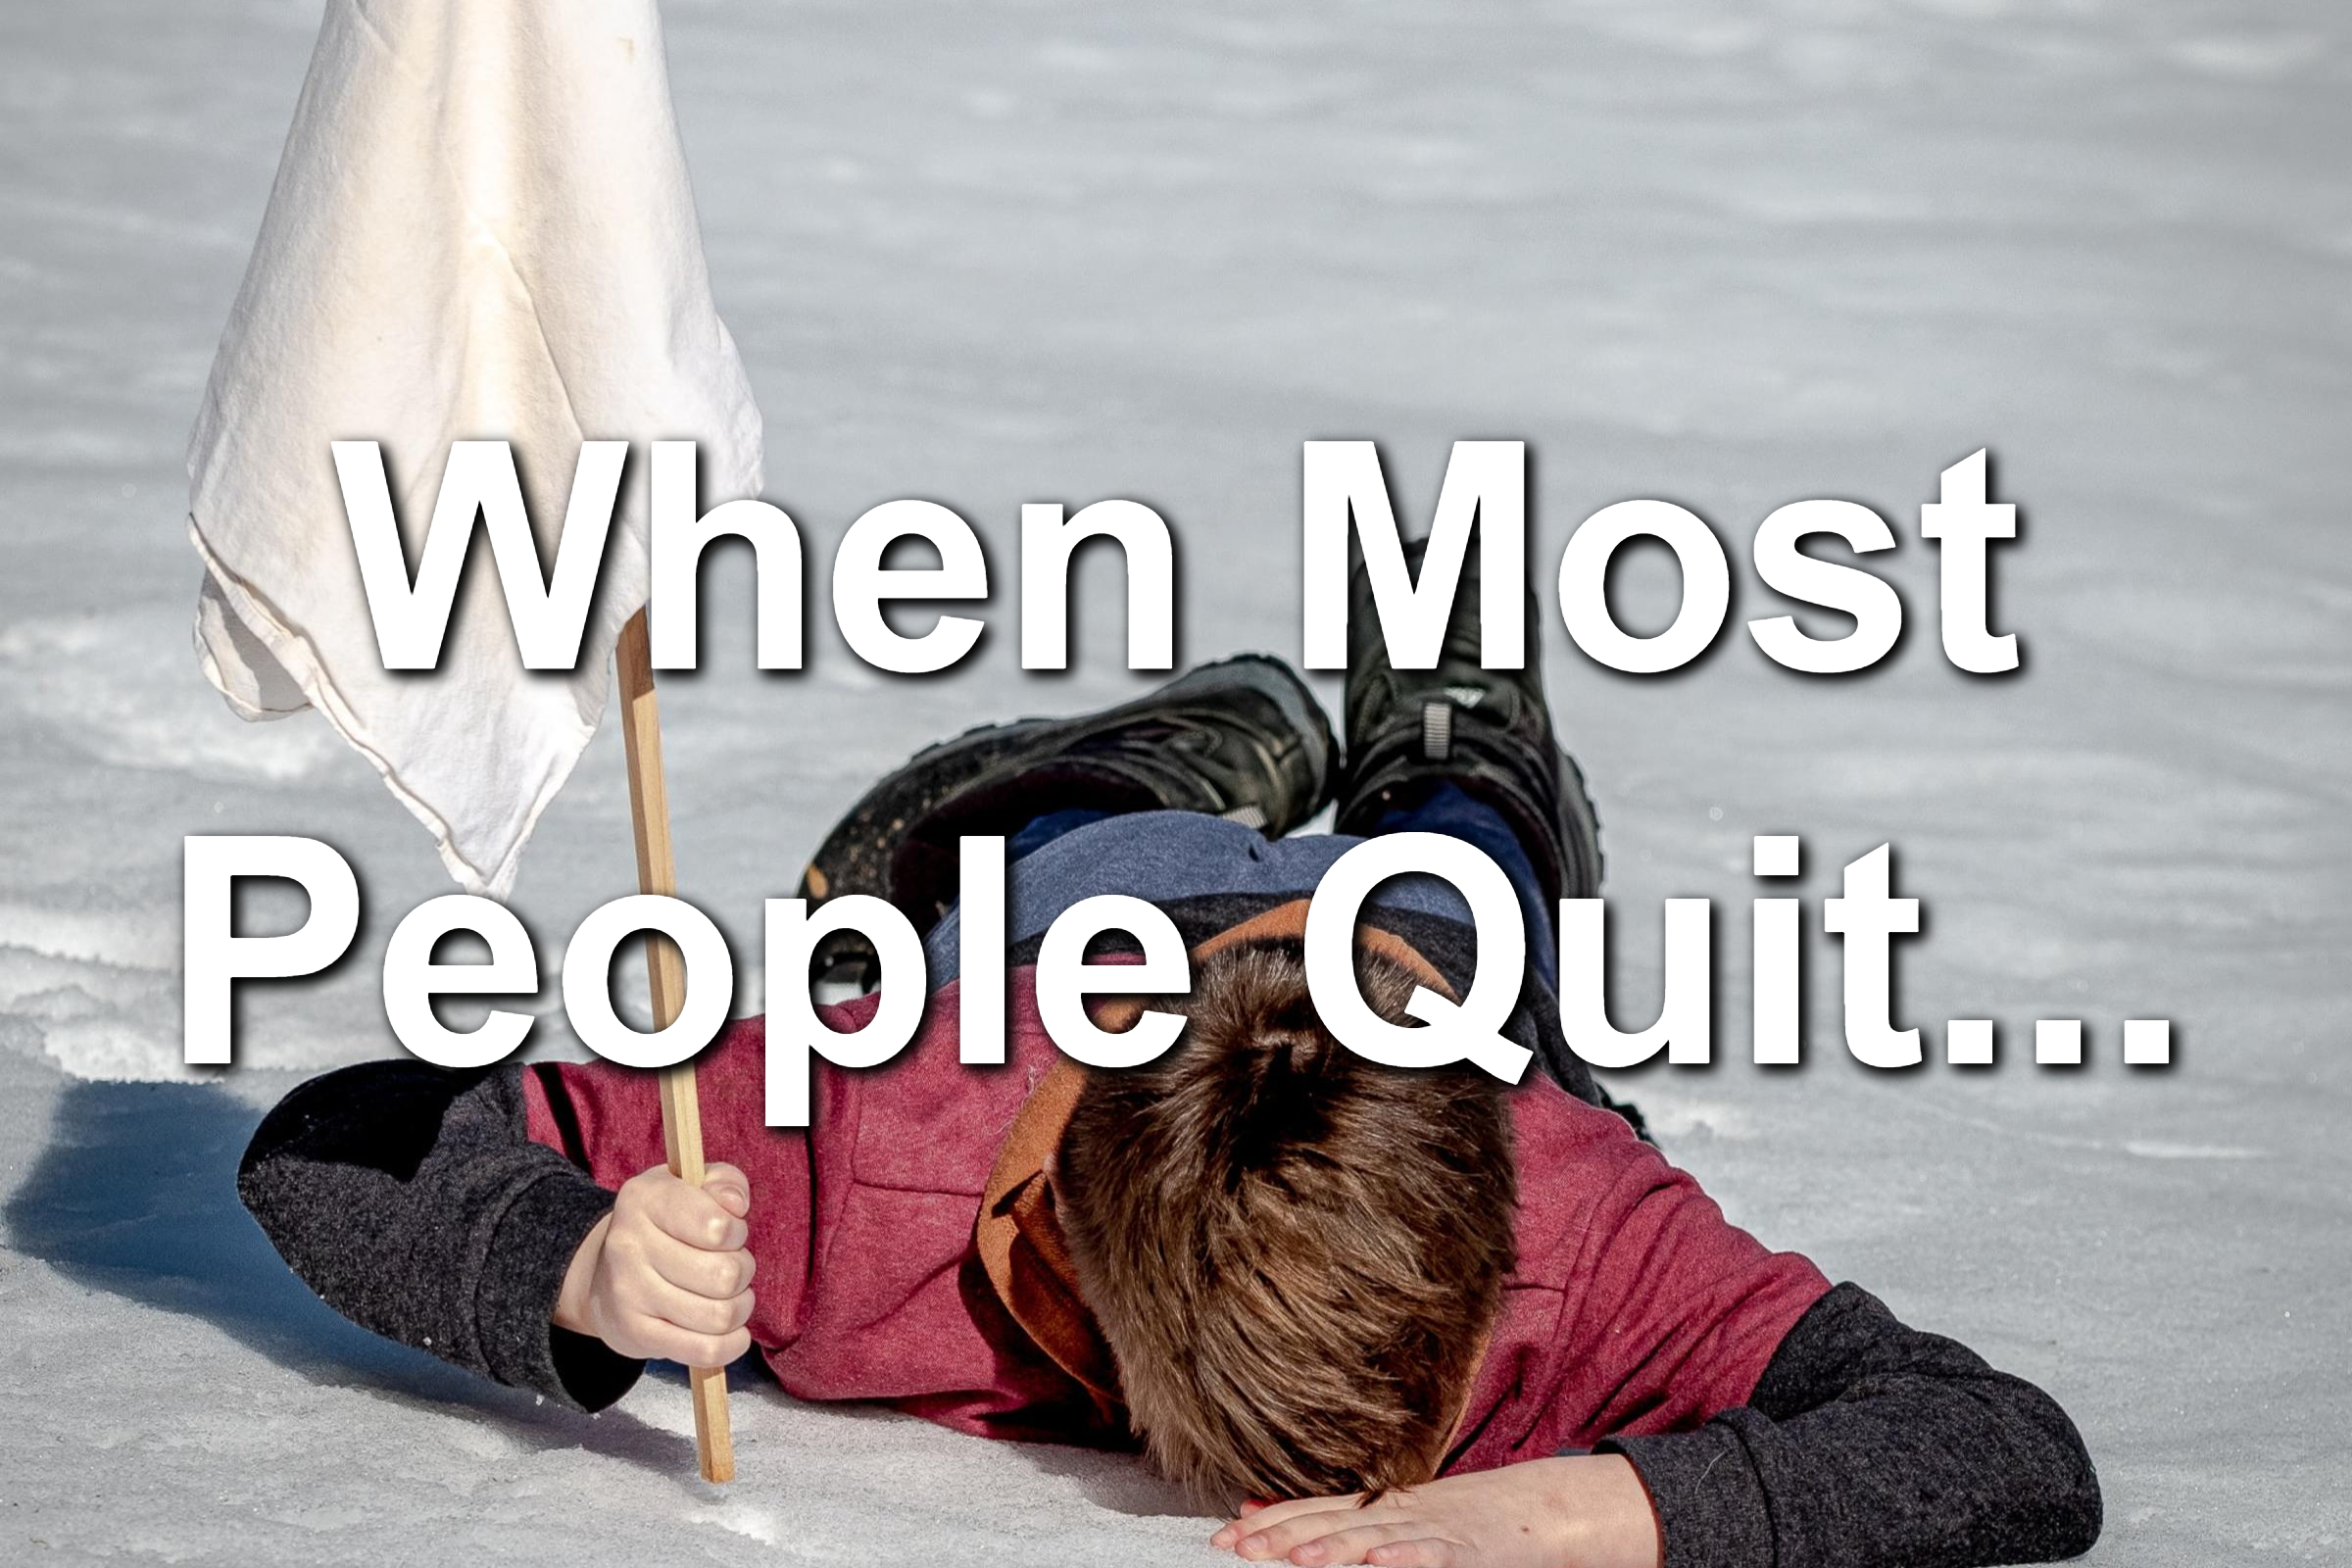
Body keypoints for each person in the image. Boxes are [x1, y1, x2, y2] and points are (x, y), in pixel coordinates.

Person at [239, 545, 2101, 1568]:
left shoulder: (1582, 1225)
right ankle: (1187, 744)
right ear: (1078, 1263)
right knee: (1031, 845)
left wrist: (1567, 1507)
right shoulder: (861, 1149)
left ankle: (1463, 741)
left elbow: (2008, 1453)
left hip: (1421, 967)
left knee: (1470, 878)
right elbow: (334, 1136)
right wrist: (574, 1259)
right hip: (1073, 924)